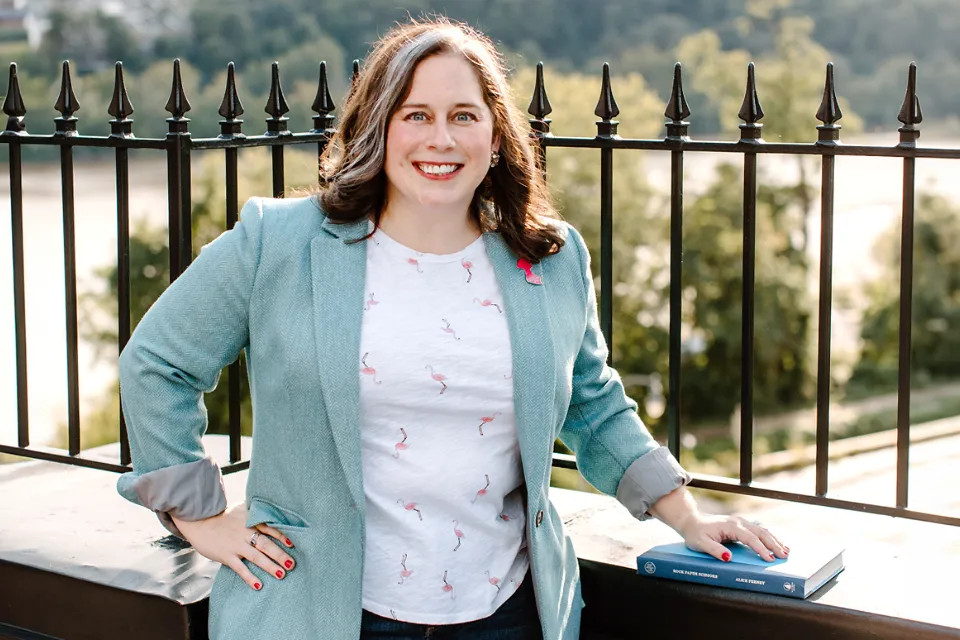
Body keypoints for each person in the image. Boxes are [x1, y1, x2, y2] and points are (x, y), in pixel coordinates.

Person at [116, 17, 788, 640]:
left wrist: (687, 516)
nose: (441, 139)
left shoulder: (549, 258)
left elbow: (592, 401)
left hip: (510, 613)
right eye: (417, 116)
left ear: (494, 139)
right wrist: (198, 513)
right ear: (379, 130)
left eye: (464, 116)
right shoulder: (280, 243)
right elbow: (157, 363)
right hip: (321, 608)